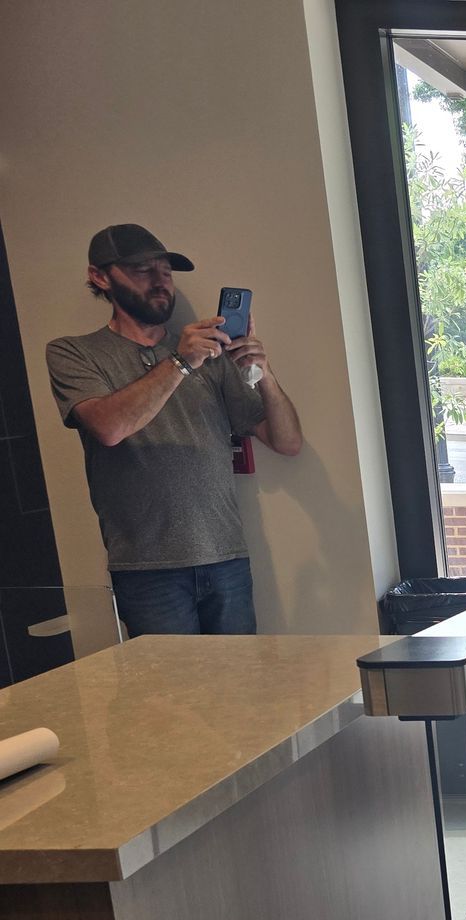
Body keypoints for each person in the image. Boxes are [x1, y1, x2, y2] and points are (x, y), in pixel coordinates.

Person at [45, 224, 303, 636]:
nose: (161, 281)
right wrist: (181, 363)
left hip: (226, 558)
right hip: (148, 570)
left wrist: (265, 372)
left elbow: (287, 442)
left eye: (165, 271)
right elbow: (109, 428)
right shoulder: (74, 352)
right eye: (143, 270)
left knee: (243, 694)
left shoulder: (210, 354)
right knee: (170, 699)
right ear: (100, 277)